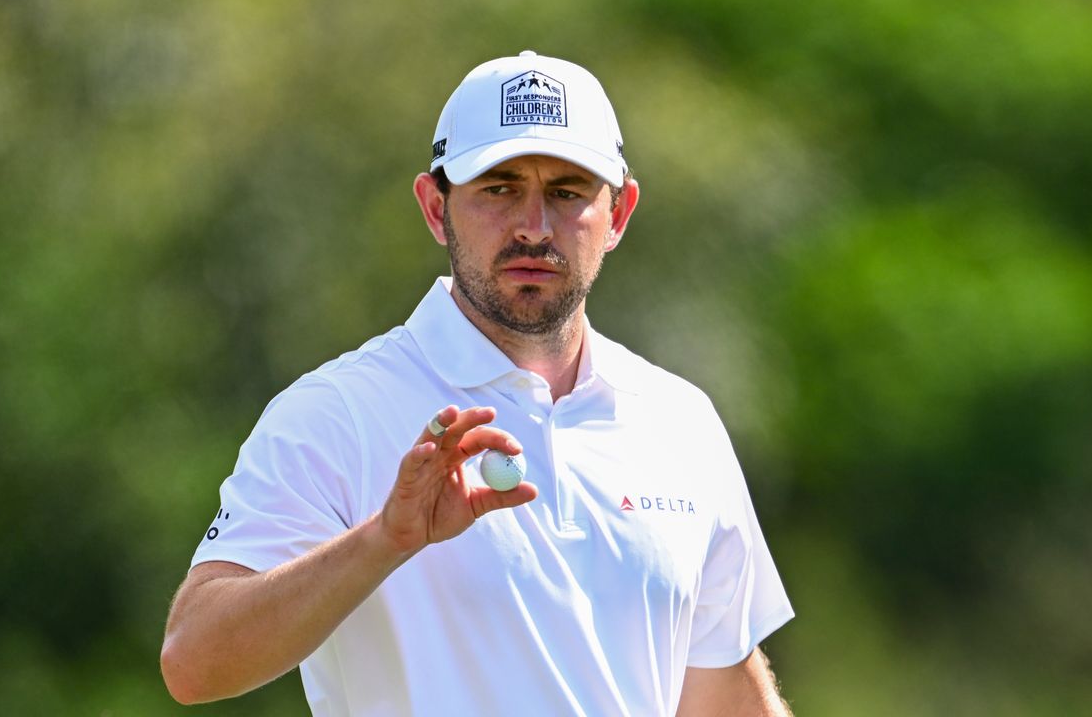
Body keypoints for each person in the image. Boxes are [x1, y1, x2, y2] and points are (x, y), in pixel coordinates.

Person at [161, 50, 795, 716]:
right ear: (436, 209)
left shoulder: (679, 420)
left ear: (620, 213)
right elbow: (196, 661)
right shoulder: (335, 412)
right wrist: (383, 541)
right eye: (498, 188)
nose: (532, 226)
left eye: (567, 192)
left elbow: (722, 690)